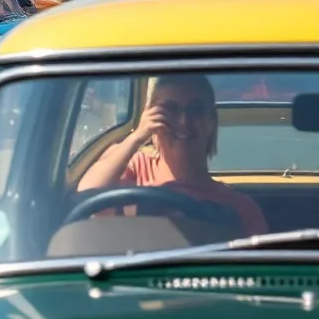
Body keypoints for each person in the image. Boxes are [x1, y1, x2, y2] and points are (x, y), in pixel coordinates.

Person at [78, 73, 267, 236]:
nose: (183, 121)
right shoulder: (133, 168)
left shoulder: (239, 207)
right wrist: (137, 137)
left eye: (196, 110)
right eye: (169, 109)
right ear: (151, 116)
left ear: (212, 121)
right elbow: (85, 198)